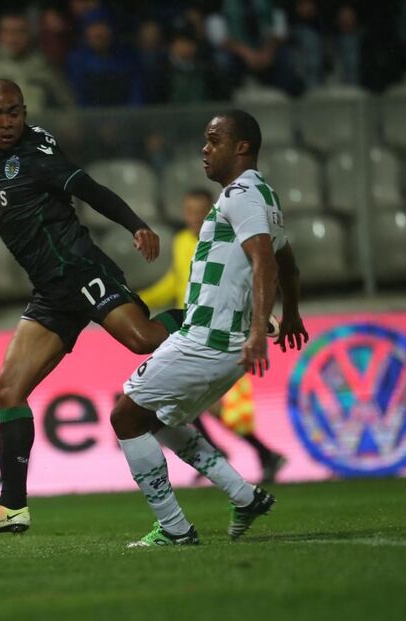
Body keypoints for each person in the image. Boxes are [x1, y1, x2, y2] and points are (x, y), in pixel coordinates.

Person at [0, 79, 184, 537]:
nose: (7, 123)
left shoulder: (38, 157)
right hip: (50, 290)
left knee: (142, 340)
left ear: (24, 111)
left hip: (79, 268)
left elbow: (92, 190)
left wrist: (137, 225)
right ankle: (12, 507)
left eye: (15, 112)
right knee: (8, 391)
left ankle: (213, 315)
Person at [110, 110, 308, 547]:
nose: (205, 148)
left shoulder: (242, 195)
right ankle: (243, 495)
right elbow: (286, 262)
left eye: (214, 140)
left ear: (241, 147)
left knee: (125, 414)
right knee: (157, 417)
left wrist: (261, 329)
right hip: (219, 340)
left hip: (210, 339)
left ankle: (175, 528)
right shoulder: (263, 196)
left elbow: (265, 261)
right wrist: (290, 313)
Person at [140, 188, 287, 485]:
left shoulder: (229, 240)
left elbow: (247, 281)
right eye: (189, 212)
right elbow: (175, 283)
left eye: (200, 212)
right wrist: (137, 300)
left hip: (222, 333)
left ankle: (224, 455)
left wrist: (259, 319)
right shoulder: (182, 242)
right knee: (197, 404)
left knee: (197, 404)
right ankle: (257, 454)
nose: (194, 218)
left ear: (213, 212)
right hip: (190, 333)